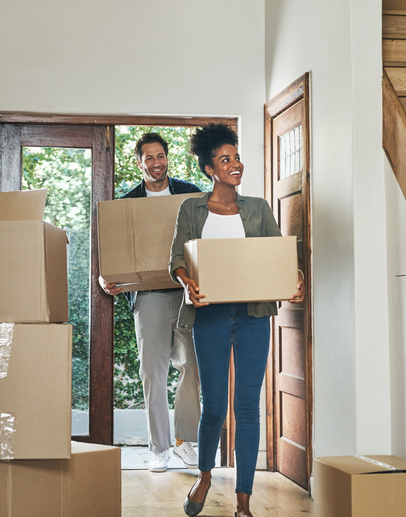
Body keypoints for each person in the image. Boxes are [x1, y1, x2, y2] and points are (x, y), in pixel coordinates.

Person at [169, 123, 304, 517]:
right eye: (225, 159)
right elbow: (177, 257)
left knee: (247, 405)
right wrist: (185, 281)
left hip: (253, 316)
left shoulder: (257, 208)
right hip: (209, 313)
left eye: (237, 158)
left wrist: (292, 278)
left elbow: (280, 256)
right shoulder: (191, 209)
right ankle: (206, 475)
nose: (235, 164)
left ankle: (243, 502)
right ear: (210, 169)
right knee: (213, 405)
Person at [99, 132, 202, 472]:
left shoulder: (191, 195)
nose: (156, 163)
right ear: (139, 162)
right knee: (152, 372)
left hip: (187, 291)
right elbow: (111, 253)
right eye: (149, 158)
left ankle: (185, 440)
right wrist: (106, 276)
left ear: (167, 158)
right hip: (149, 296)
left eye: (161, 156)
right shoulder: (127, 203)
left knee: (191, 367)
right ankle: (159, 447)